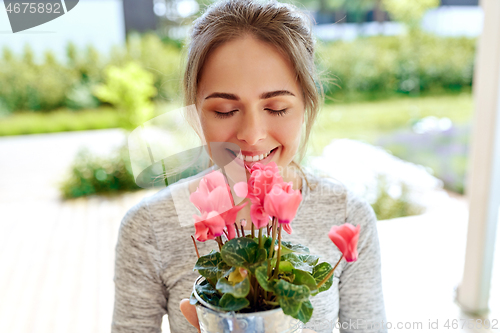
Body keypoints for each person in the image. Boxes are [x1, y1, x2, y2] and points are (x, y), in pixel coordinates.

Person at [111, 0, 387, 332]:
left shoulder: (347, 215)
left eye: (276, 107)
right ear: (195, 112)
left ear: (307, 103)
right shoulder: (149, 228)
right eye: (225, 110)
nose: (251, 136)